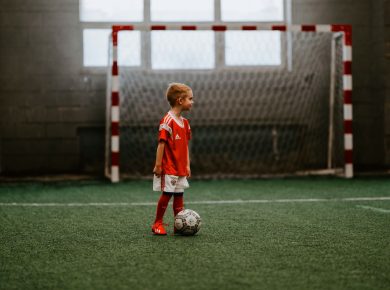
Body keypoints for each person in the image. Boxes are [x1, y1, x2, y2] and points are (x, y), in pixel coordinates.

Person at [151, 83, 194, 235]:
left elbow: (185, 146)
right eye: (190, 98)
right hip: (169, 167)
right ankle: (157, 223)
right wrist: (158, 165)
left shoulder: (186, 123)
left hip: (180, 167)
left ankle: (178, 224)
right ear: (180, 100)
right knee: (167, 194)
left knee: (179, 195)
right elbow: (161, 145)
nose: (192, 102)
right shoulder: (167, 121)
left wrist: (187, 165)